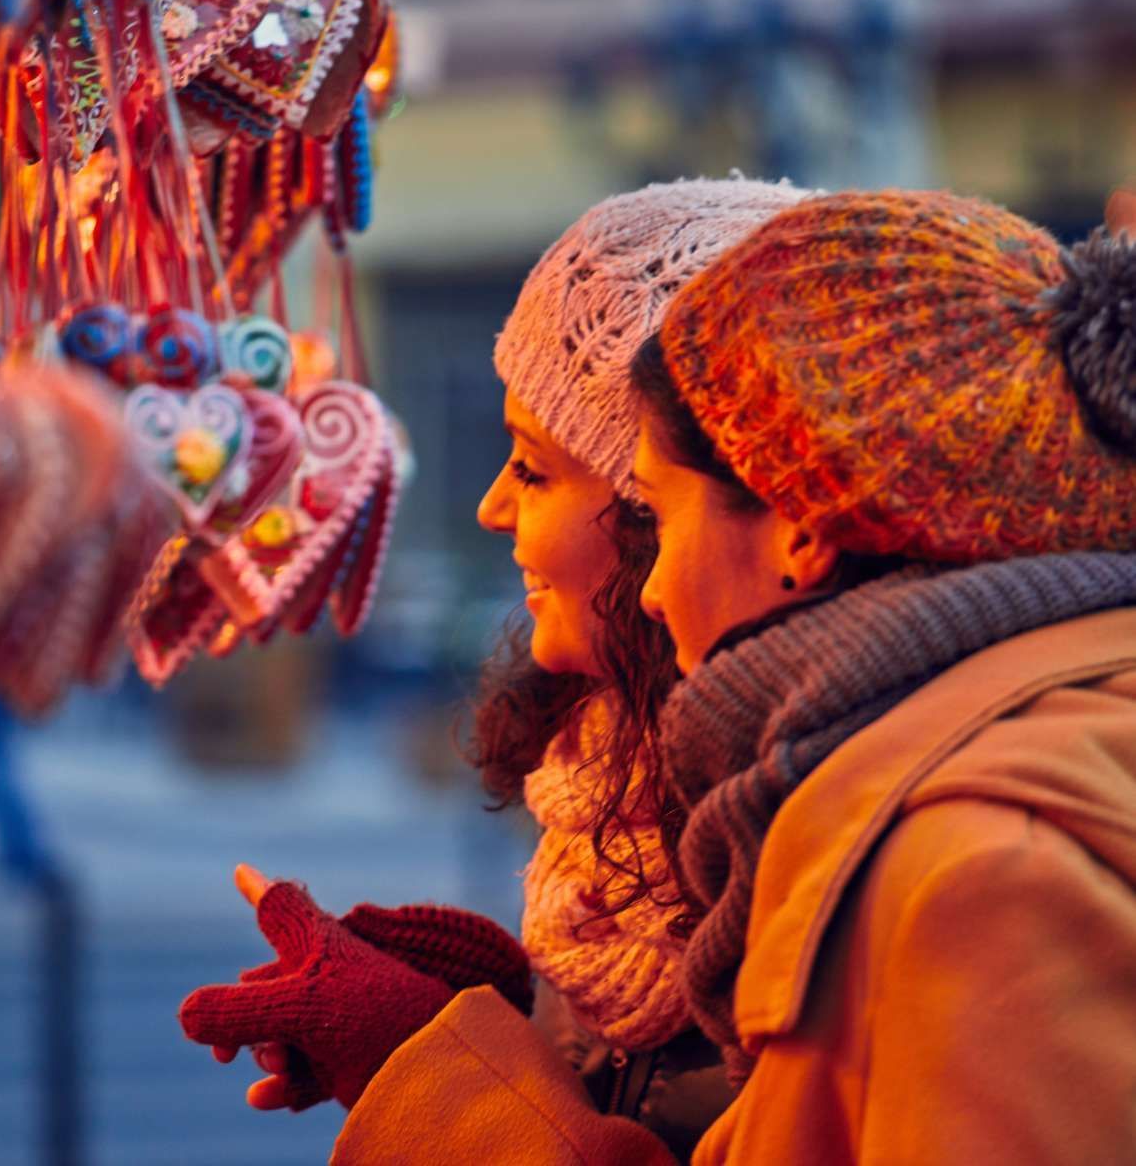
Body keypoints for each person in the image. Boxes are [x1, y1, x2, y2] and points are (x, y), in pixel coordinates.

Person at [331, 188, 1136, 1163]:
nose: (657, 583)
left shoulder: (975, 869)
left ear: (793, 521)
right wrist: (492, 1029)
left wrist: (431, 1090)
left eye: (661, 517)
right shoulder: (868, 794)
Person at [177, 178, 810, 1154]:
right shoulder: (607, 794)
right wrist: (486, 1009)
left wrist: (421, 1066)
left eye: (530, 467)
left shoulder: (810, 843)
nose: (490, 507)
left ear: (661, 505)